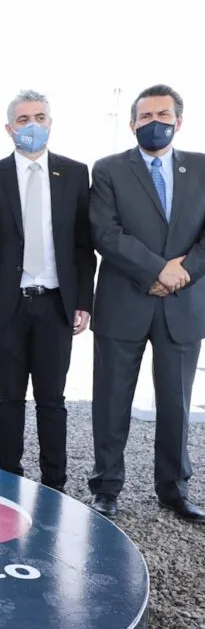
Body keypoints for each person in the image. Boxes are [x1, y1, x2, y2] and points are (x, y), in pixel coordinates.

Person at [0, 90, 96, 491]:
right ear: (9, 129)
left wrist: (84, 301)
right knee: (9, 396)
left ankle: (55, 483)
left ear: (51, 123)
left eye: (40, 117)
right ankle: (9, 479)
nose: (32, 125)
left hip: (56, 303)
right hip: (8, 305)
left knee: (52, 399)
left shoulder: (75, 174)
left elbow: (83, 245)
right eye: (23, 120)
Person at [88, 84, 205, 523]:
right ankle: (105, 486)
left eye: (163, 115)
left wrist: (182, 273)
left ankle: (174, 489)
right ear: (133, 123)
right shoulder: (108, 170)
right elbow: (105, 233)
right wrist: (158, 270)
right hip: (124, 300)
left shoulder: (202, 168)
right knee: (111, 400)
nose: (155, 122)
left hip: (183, 303)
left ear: (179, 121)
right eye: (146, 116)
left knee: (176, 402)